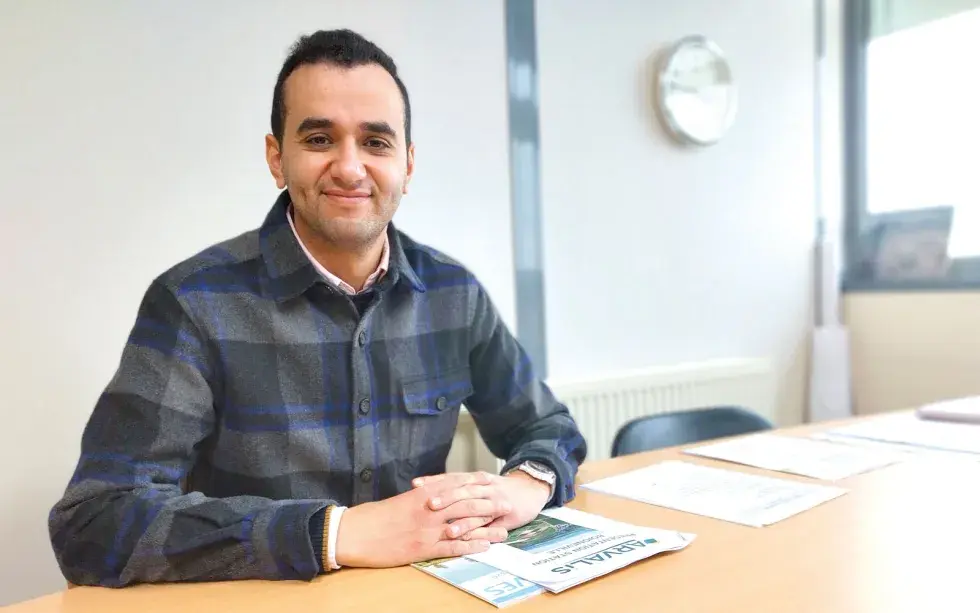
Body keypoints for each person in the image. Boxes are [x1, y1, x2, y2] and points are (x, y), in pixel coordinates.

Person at [48, 28, 587, 586]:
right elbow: (94, 521)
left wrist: (524, 487)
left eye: (376, 143)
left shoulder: (453, 293)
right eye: (320, 140)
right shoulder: (193, 303)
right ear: (276, 158)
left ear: (407, 163)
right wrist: (336, 533)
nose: (351, 168)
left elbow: (548, 426)